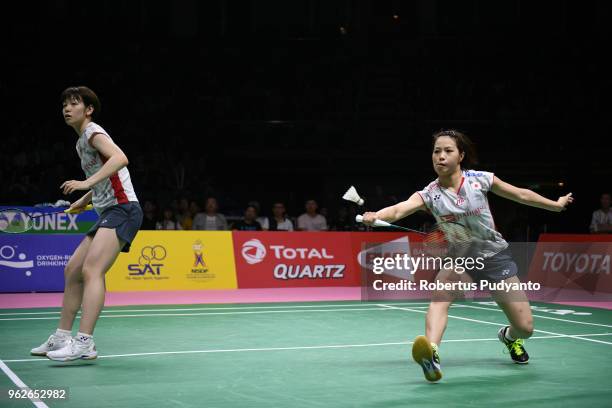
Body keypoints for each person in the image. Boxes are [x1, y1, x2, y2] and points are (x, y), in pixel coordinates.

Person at [361, 129, 573, 382]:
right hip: (460, 258)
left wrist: (555, 205)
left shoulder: (479, 180)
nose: (440, 156)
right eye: (436, 151)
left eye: (448, 151)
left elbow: (521, 194)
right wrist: (377, 216)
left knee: (525, 328)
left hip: (494, 256)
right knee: (440, 298)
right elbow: (398, 210)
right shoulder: (430, 193)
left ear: (461, 155)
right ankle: (432, 353)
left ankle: (509, 337)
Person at [31, 86, 143, 362]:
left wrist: (85, 183)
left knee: (93, 269)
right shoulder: (81, 141)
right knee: (73, 270)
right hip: (107, 210)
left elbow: (120, 159)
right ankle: (61, 336)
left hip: (124, 208)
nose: (66, 109)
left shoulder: (93, 132)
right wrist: (86, 199)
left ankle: (84, 343)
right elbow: (105, 175)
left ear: (88, 109)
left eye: (74, 103)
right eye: (64, 105)